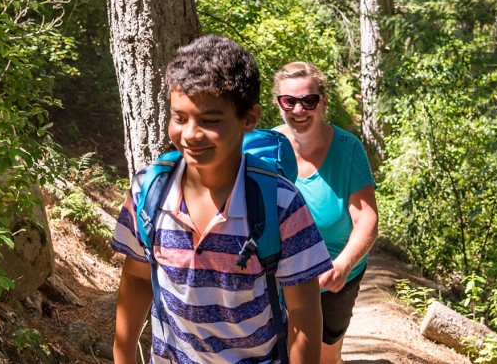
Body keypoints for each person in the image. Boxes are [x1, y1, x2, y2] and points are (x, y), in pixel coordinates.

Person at [111, 36, 333, 364]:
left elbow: (303, 309)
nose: (190, 134)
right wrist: (124, 356)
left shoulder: (280, 203)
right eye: (180, 117)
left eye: (210, 120)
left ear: (249, 118)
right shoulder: (149, 191)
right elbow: (137, 276)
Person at [271, 62, 379, 364]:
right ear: (278, 103)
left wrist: (341, 266)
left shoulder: (348, 149)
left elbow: (367, 219)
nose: (299, 110)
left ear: (323, 102)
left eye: (309, 101)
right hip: (279, 276)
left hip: (334, 277)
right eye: (289, 101)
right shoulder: (264, 149)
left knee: (324, 357)